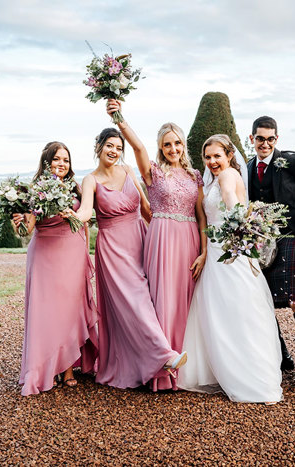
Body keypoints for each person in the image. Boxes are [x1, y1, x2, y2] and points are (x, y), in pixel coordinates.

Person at [64, 128, 187, 389]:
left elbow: (146, 208)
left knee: (149, 297)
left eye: (118, 148)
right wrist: (74, 217)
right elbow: (86, 210)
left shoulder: (129, 170)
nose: (114, 151)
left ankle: (140, 359)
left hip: (140, 239)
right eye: (109, 145)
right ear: (98, 146)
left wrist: (165, 239)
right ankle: (165, 356)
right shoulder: (91, 180)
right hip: (113, 248)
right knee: (135, 299)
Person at [106, 99, 207, 391]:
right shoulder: (152, 172)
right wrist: (119, 118)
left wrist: (203, 252)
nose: (172, 149)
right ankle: (160, 368)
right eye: (166, 145)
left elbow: (201, 217)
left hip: (189, 240)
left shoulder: (194, 176)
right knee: (160, 299)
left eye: (177, 143)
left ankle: (182, 368)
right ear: (160, 148)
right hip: (161, 239)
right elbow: (137, 147)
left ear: (183, 145)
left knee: (185, 301)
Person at [178, 134, 283, 404]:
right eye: (208, 157)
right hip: (216, 252)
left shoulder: (226, 177)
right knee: (221, 312)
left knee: (232, 312)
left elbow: (233, 208)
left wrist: (235, 229)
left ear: (228, 156)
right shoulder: (218, 177)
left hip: (227, 254)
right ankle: (224, 370)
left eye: (217, 156)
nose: (212, 161)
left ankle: (246, 376)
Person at [246, 116, 295, 405]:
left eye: (270, 139)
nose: (265, 144)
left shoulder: (290, 162)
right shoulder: (247, 168)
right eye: (260, 138)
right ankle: (282, 357)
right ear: (252, 139)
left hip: (292, 238)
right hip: (262, 243)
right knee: (261, 299)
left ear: (276, 139)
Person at [14, 142, 98, 395]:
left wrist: (85, 251)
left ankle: (69, 366)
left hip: (72, 252)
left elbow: (85, 221)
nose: (62, 164)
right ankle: (46, 365)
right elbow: (25, 230)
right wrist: (17, 220)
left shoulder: (76, 188)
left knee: (70, 310)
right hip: (44, 253)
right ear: (47, 161)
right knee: (47, 311)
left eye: (66, 160)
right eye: (57, 159)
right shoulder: (33, 190)